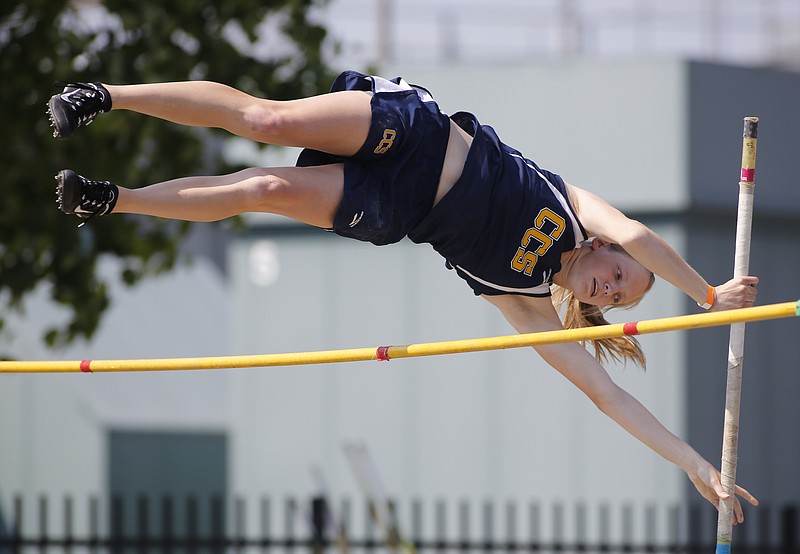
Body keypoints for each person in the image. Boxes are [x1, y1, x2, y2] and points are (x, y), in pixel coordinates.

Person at [47, 71, 759, 522]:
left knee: (259, 192)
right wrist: (703, 294)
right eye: (624, 274)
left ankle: (114, 200)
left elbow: (607, 396)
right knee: (268, 120)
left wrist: (693, 462)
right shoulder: (577, 208)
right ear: (610, 252)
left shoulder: (524, 303)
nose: (614, 286)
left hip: (397, 211)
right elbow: (639, 231)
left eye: (619, 298)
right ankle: (103, 96)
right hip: (415, 135)